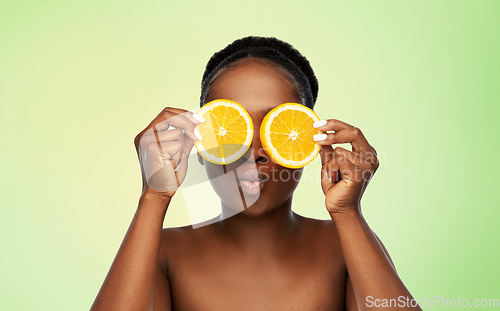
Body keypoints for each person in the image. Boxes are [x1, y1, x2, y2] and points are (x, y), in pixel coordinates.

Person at [90, 36, 422, 310]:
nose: (255, 152)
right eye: (232, 131)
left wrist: (348, 213)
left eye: (277, 130)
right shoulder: (162, 251)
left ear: (306, 144)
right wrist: (154, 196)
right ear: (201, 145)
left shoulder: (345, 246)